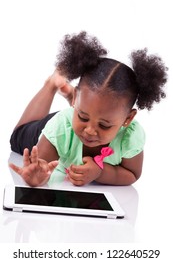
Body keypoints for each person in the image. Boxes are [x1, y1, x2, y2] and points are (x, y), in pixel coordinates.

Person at [9, 31, 168, 187]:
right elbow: (42, 168)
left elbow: (132, 174)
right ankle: (52, 84)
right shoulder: (58, 130)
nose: (90, 131)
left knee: (89, 113)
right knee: (16, 138)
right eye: (84, 118)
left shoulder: (130, 137)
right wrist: (38, 176)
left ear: (128, 119)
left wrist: (100, 172)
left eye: (104, 125)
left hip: (79, 112)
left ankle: (81, 107)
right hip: (62, 129)